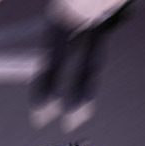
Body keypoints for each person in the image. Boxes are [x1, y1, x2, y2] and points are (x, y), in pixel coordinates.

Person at [30, 0, 133, 132]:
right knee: (66, 51)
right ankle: (61, 97)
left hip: (94, 14)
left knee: (79, 53)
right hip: (80, 11)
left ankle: (72, 98)